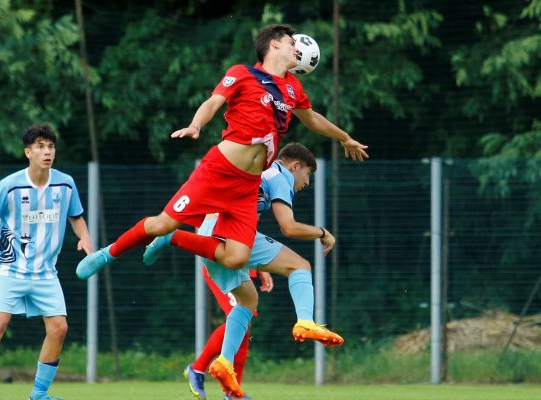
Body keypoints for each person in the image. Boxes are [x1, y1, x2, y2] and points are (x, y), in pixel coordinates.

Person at [75, 23, 368, 281]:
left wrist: (345, 138)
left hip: (247, 186)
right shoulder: (242, 74)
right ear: (274, 44)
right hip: (219, 171)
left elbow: (312, 118)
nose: (297, 48)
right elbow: (214, 102)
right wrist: (195, 125)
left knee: (237, 257)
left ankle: (175, 239)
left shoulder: (293, 88)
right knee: (161, 224)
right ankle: (107, 254)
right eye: (293, 43)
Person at [144, 143, 343, 399]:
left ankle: (225, 364)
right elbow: (289, 227)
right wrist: (323, 233)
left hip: (223, 232)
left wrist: (260, 266)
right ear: (296, 166)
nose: (306, 182)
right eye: (308, 174)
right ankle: (305, 322)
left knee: (248, 301)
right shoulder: (280, 175)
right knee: (300, 266)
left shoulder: (261, 170)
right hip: (225, 232)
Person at [0, 124, 93, 400]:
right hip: (9, 269)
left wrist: (85, 238)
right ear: (28, 152)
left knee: (59, 328)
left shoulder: (65, 183)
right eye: (40, 146)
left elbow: (76, 217)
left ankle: (39, 394)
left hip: (45, 273)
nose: (47, 151)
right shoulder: (10, 184)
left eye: (50, 146)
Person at [183, 267, 272, 400]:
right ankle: (198, 370)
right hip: (223, 264)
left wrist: (260, 268)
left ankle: (232, 394)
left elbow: (251, 246)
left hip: (244, 266)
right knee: (240, 320)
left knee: (244, 325)